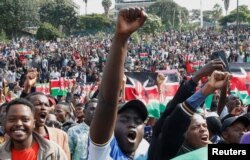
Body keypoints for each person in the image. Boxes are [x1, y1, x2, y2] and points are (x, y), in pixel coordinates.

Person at [88, 7, 148, 160]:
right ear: (111, 126)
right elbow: (107, 102)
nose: (132, 124)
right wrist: (122, 37)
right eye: (124, 119)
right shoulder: (103, 152)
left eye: (138, 121)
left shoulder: (146, 154)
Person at [148, 59, 227, 160]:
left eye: (204, 125)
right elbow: (174, 119)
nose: (203, 129)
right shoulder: (168, 153)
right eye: (196, 127)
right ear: (183, 134)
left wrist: (224, 86)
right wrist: (198, 78)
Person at [0, 98, 67, 160]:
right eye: (12, 120)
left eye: (25, 120)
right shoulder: (1, 152)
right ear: (5, 123)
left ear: (33, 123)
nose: (18, 124)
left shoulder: (53, 151)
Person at [26, 92, 71, 160]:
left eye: (46, 105)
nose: (43, 108)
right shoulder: (18, 136)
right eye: (38, 104)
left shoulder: (61, 135)